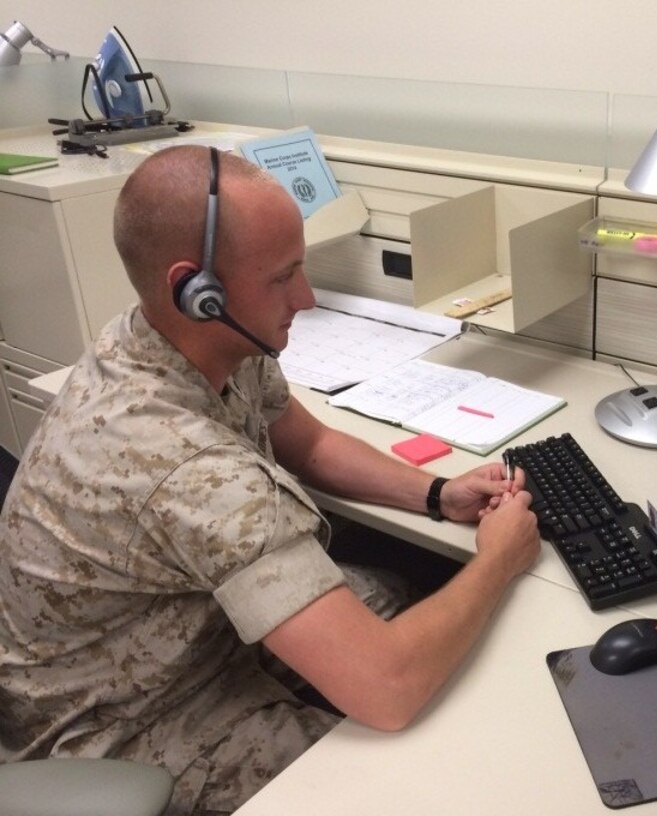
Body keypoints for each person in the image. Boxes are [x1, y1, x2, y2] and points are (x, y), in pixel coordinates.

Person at [0, 145, 541, 815]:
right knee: (403, 783)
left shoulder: (184, 339)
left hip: (192, 634)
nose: (306, 298)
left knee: (401, 599)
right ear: (195, 290)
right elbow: (388, 690)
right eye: (284, 277)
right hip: (121, 724)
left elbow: (308, 443)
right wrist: (497, 562)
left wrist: (436, 493)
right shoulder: (187, 470)